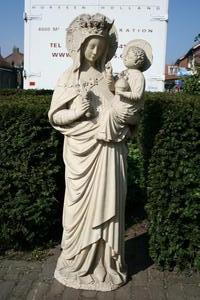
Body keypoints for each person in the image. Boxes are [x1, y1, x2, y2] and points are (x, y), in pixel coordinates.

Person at [48, 13, 129, 291]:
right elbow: (56, 116)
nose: (96, 52)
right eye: (91, 46)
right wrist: (74, 112)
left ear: (108, 49)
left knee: (110, 205)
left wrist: (114, 92)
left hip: (109, 152)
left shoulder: (111, 77)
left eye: (101, 47)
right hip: (81, 152)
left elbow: (125, 113)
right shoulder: (69, 77)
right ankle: (75, 260)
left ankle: (104, 264)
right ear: (80, 46)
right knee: (76, 208)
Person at [96, 39, 153, 142]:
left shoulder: (138, 76)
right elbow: (113, 88)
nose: (126, 58)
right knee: (102, 109)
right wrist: (109, 74)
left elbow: (137, 96)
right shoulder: (123, 73)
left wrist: (122, 93)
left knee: (110, 112)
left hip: (128, 107)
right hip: (117, 103)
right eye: (126, 55)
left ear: (137, 61)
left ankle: (106, 135)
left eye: (129, 57)